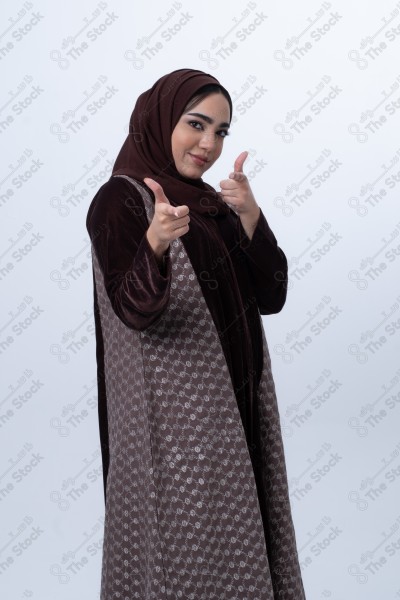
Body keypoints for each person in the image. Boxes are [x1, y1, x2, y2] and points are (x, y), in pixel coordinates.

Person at [86, 68, 306, 599]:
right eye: (196, 124)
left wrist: (252, 219)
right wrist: (156, 244)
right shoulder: (121, 201)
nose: (209, 144)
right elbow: (131, 310)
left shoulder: (212, 207)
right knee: (182, 558)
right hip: (176, 428)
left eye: (222, 131)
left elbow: (271, 296)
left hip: (240, 411)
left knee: (242, 552)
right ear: (160, 120)